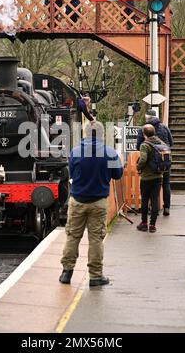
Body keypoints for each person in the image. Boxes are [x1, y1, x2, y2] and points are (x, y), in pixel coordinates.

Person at [59, 121, 123, 286]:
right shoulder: (110, 153)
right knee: (96, 239)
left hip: (77, 200)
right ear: (102, 135)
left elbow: (71, 173)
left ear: (86, 133)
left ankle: (67, 273)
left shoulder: (76, 151)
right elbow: (117, 175)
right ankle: (95, 276)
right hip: (98, 202)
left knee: (73, 236)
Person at [136, 109, 173, 216]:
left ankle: (149, 208)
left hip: (150, 164)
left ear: (147, 117)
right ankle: (166, 207)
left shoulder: (143, 129)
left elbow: (138, 145)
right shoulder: (164, 127)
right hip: (164, 161)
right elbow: (171, 142)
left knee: (150, 186)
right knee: (166, 184)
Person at [136, 124, 163, 233]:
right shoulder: (161, 143)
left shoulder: (145, 145)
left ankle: (144, 223)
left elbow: (143, 159)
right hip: (158, 176)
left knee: (145, 200)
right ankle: (152, 225)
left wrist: (138, 167)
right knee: (155, 200)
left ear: (144, 134)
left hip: (147, 177)